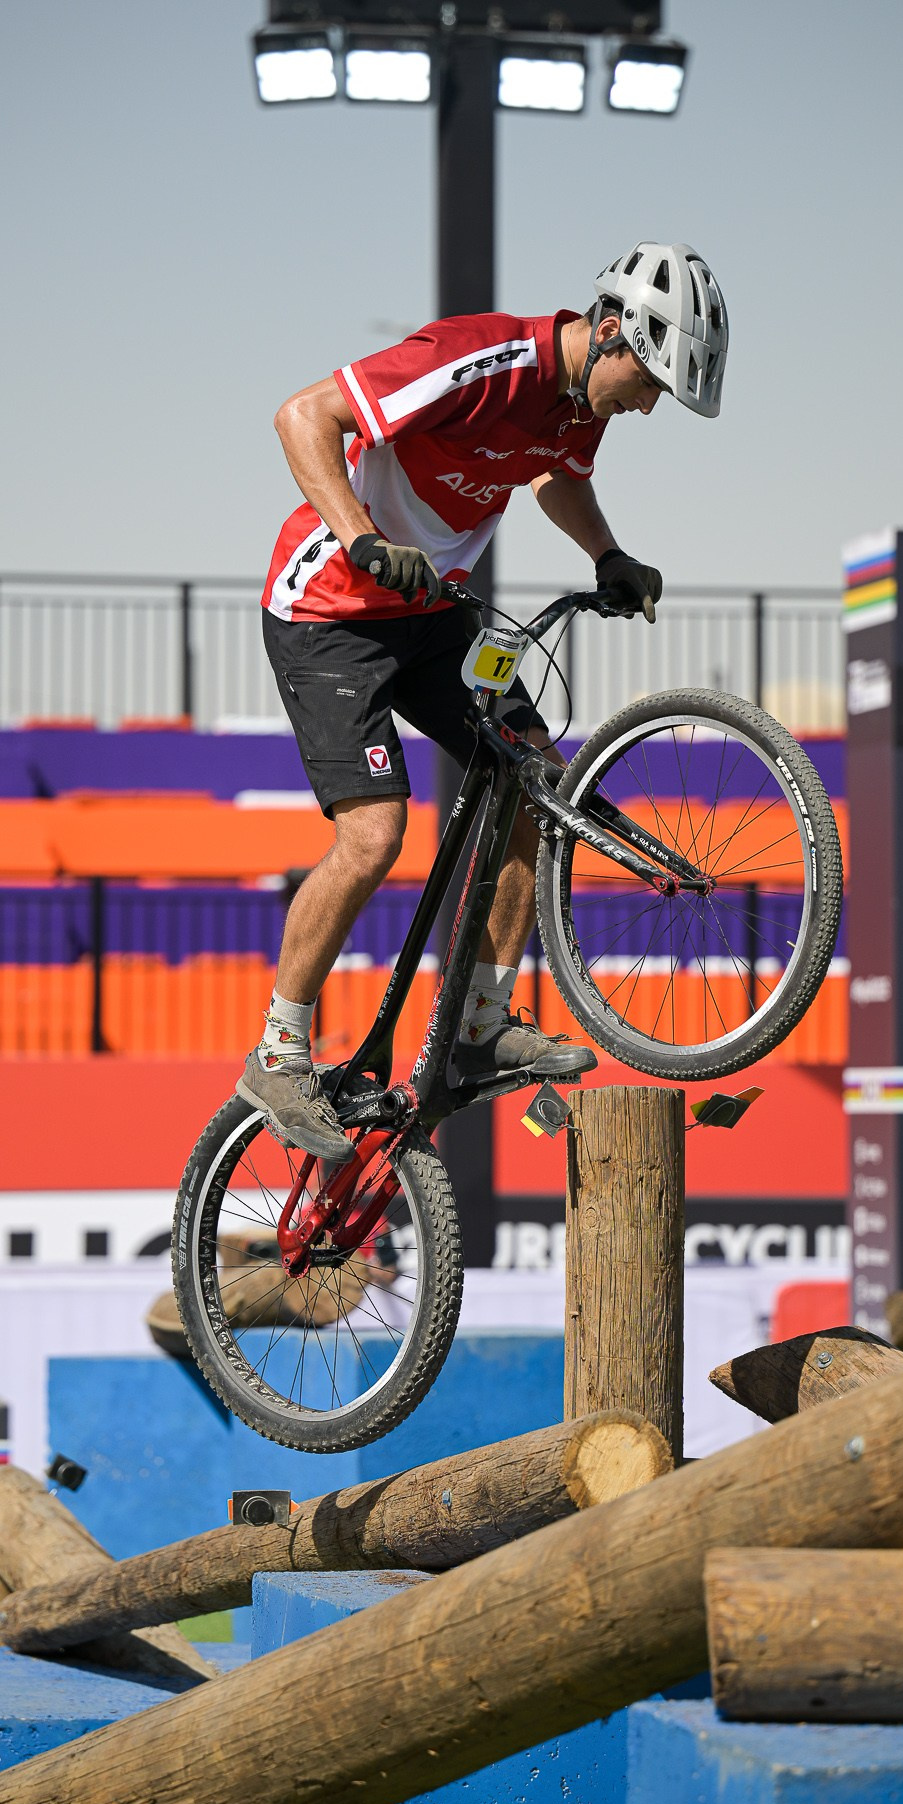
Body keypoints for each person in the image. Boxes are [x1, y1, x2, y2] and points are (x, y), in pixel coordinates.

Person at [242, 241, 729, 1163]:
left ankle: (480, 1018)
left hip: (432, 617)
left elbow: (556, 475)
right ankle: (278, 1051)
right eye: (650, 382)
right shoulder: (484, 360)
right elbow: (302, 415)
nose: (649, 405)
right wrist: (359, 537)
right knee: (375, 834)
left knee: (534, 782)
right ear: (613, 330)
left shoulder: (581, 403)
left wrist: (607, 557)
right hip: (329, 613)